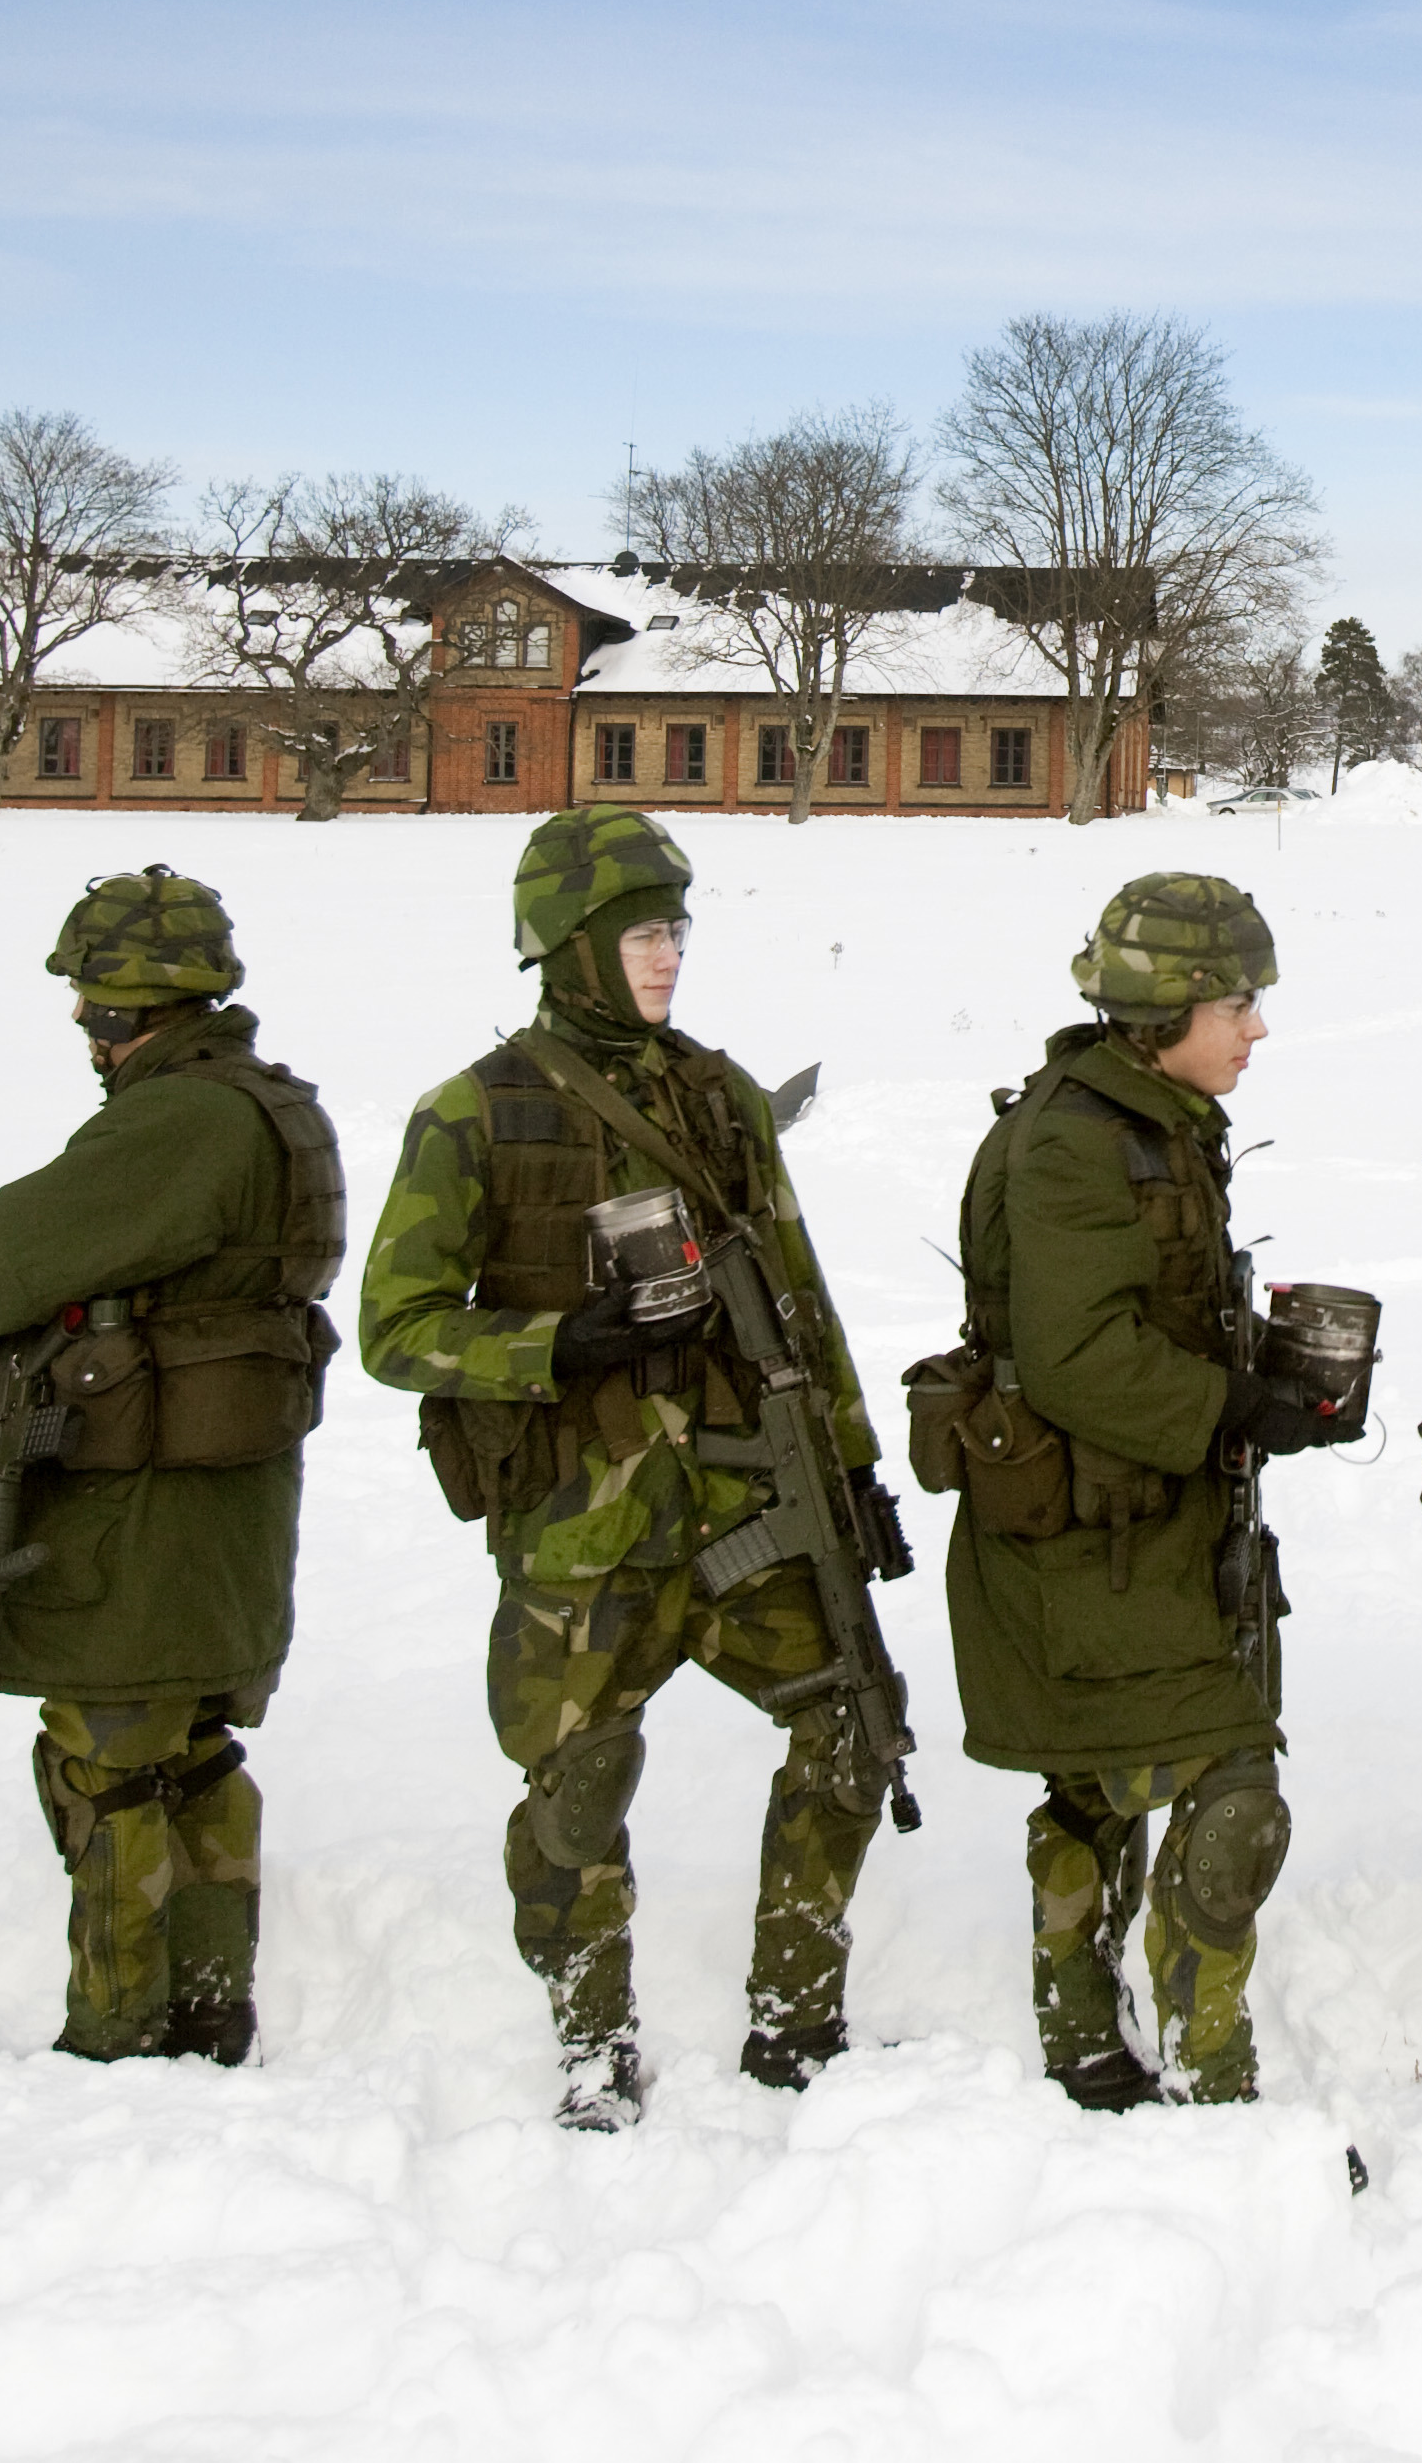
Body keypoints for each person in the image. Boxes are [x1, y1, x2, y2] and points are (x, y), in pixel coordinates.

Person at [359, 804, 897, 2127]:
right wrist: (560, 1340)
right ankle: (592, 2037)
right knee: (578, 1783)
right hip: (581, 1525)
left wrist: (852, 1466)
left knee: (852, 1723)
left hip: (740, 1502)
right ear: (572, 945)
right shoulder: (472, 1115)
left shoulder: (717, 1095)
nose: (668, 956)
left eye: (675, 929)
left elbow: (803, 1295)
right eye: (642, 933)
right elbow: (395, 1328)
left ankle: (795, 2015)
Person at [939, 873, 1341, 2111]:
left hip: (1131, 1524)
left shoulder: (1149, 1115)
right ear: (1165, 1008)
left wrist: (1266, 1377)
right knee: (1230, 1794)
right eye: (1238, 1003)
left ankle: (1077, 2032)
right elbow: (1074, 1356)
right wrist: (1230, 1406)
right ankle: (1213, 2083)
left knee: (1096, 1783)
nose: (1257, 1028)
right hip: (1082, 1542)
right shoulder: (1074, 1139)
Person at [0, 867, 344, 2066]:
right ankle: (210, 2012)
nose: (80, 1025)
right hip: (227, 1516)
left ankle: (117, 2035)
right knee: (197, 1757)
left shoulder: (182, 1120)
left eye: (92, 1001)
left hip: (144, 1521)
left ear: (128, 1004)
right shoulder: (270, 1103)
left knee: (108, 1762)